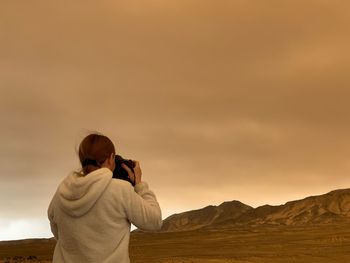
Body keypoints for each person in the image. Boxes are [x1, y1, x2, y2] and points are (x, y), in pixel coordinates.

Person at [47, 133, 163, 263]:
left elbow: (58, 232)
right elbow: (155, 221)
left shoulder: (61, 194)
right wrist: (140, 185)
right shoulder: (121, 190)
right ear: (111, 158)